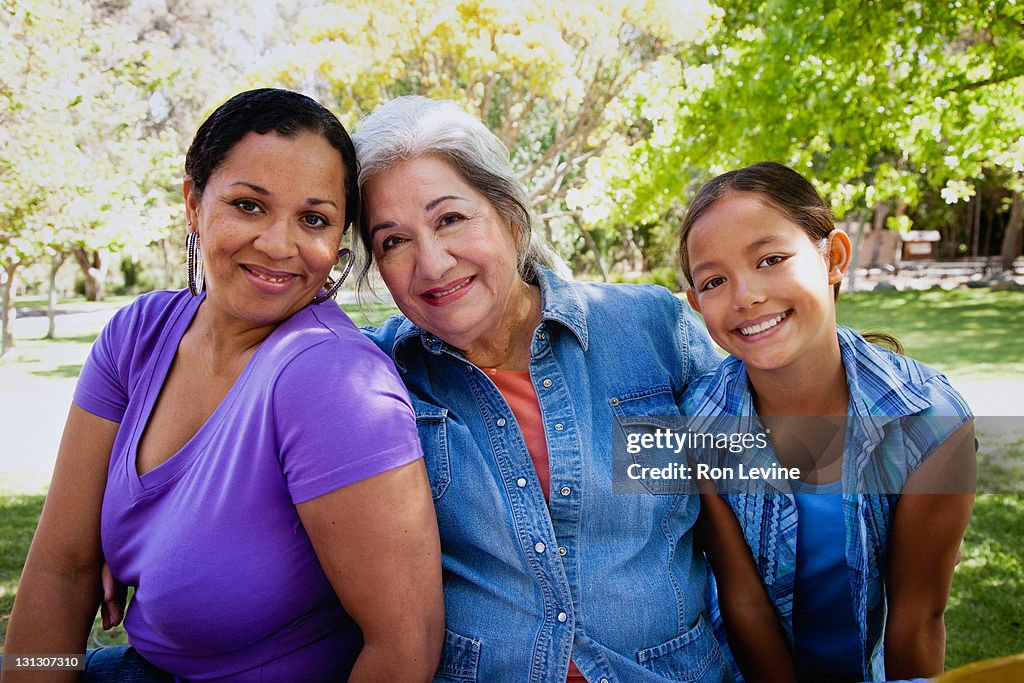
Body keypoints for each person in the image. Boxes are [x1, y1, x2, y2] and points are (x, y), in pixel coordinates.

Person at [2, 89, 443, 683]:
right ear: (193, 202)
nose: (278, 245)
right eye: (249, 205)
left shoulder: (332, 381)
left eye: (312, 219)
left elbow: (405, 646)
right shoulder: (138, 334)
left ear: (339, 241)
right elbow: (61, 571)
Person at [350, 95, 730, 682]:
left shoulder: (651, 330)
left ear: (511, 218)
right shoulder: (372, 375)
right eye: (393, 241)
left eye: (450, 219)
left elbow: (779, 482)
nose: (432, 263)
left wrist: (918, 443)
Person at [677, 162, 976, 682]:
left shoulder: (930, 420)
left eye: (771, 259)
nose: (745, 295)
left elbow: (917, 618)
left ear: (833, 258)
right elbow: (743, 602)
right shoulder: (700, 421)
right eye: (714, 281)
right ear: (696, 304)